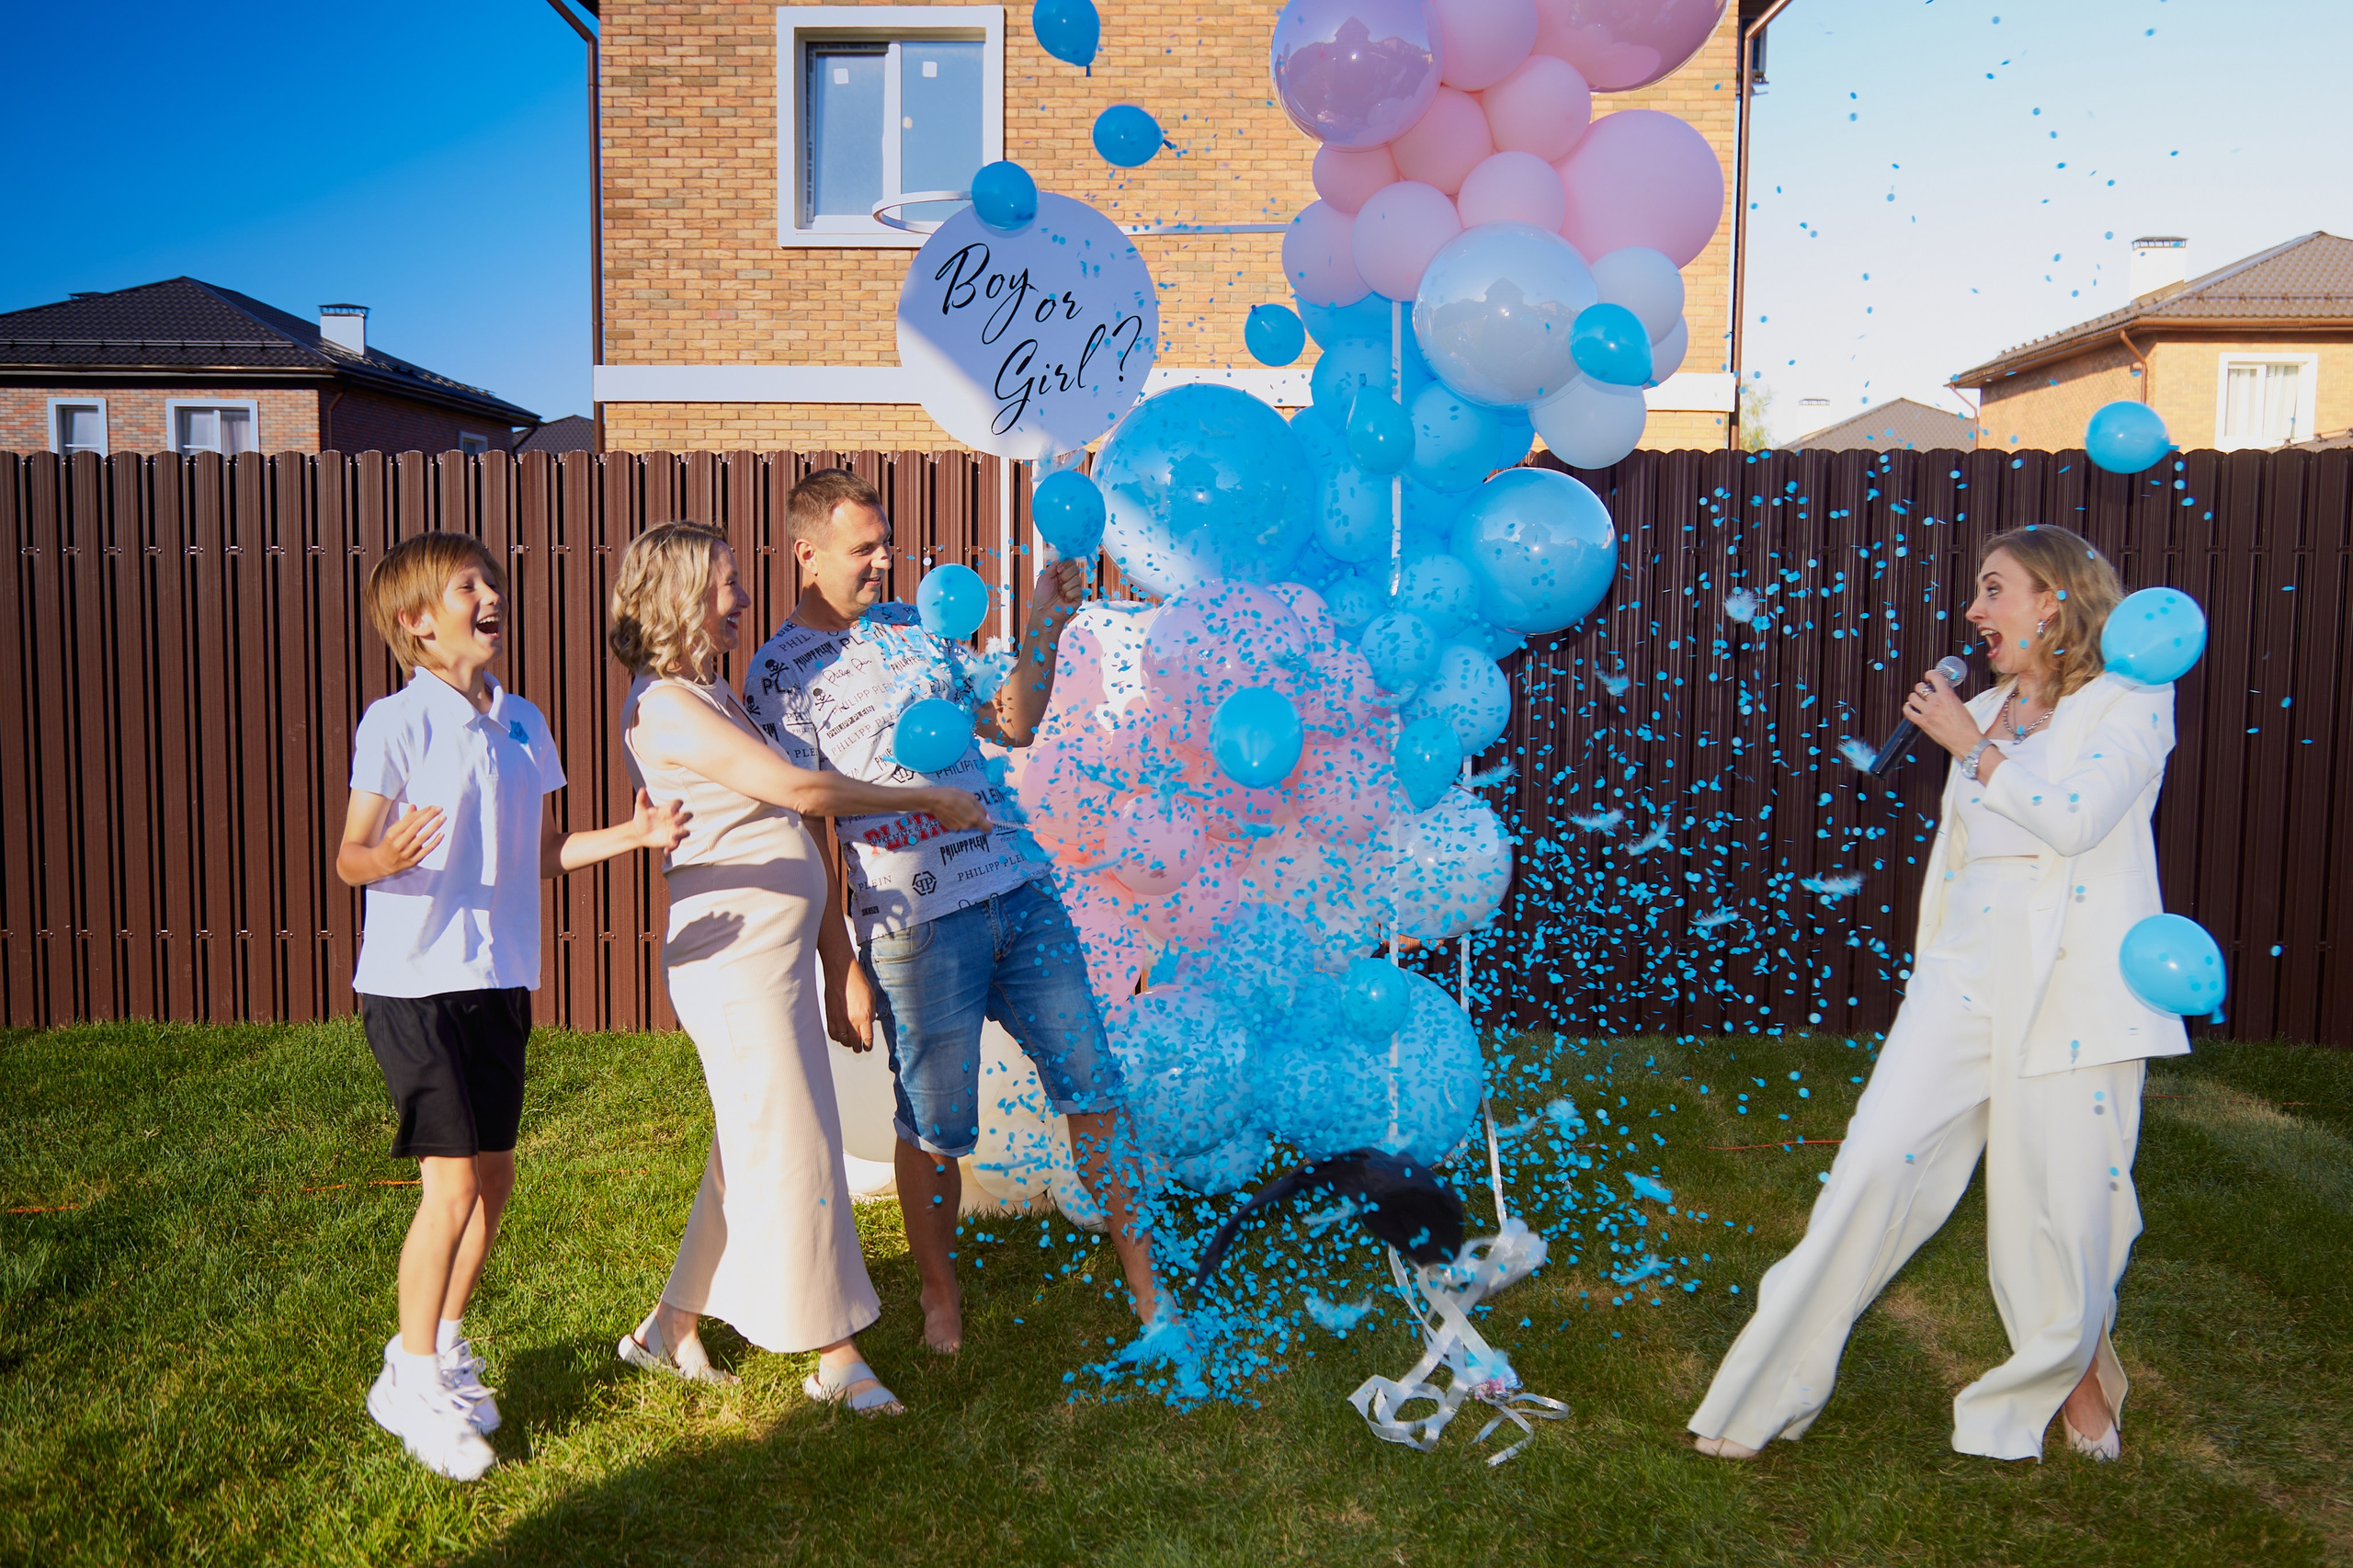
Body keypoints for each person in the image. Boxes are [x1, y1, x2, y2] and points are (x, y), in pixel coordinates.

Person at [1688, 525, 2190, 1465]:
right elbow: (1963, 859)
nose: (1971, 612)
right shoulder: (1987, 704)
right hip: (1964, 974)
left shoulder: (2129, 701)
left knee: (2063, 1205)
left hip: (2072, 984)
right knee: (1872, 1162)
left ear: (2053, 600)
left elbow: (2076, 820)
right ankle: (1763, 1389)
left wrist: (1975, 748)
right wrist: (1975, 738)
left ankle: (2073, 1378)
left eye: (1992, 589)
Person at [742, 468, 1163, 1355]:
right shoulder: (779, 671)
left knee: (1096, 1088)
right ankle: (940, 1295)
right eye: (864, 548)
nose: (884, 561)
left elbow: (1014, 722)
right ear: (806, 552)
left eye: (886, 543)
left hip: (1019, 889)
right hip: (914, 923)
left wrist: (1047, 620)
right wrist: (838, 963)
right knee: (935, 1129)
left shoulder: (912, 629)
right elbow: (801, 822)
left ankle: (1150, 1291)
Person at [610, 522, 992, 1415]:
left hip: (768, 955)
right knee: (794, 1145)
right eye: (725, 584)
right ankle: (835, 1352)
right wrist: (926, 795)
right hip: (733, 959)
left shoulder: (709, 691)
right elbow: (802, 793)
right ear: (678, 594)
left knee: (752, 1142)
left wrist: (830, 957)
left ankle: (666, 1329)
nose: (742, 598)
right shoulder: (664, 705)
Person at [339, 531, 688, 1482]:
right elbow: (350, 855)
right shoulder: (396, 721)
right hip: (413, 983)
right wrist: (390, 858)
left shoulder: (524, 719)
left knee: (492, 1180)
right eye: (467, 585)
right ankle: (408, 1381)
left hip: (498, 977)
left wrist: (636, 832)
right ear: (418, 621)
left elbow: (544, 850)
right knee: (448, 1186)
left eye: (492, 581)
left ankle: (443, 1346)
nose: (490, 594)